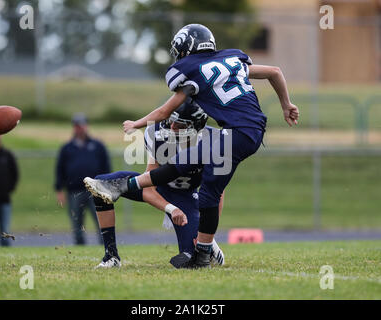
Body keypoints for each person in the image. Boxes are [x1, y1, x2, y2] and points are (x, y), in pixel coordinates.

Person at [86, 24, 300, 268]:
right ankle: (114, 242)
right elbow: (274, 71)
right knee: (174, 167)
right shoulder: (228, 66)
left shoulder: (205, 122)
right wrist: (286, 104)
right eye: (173, 124)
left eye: (182, 125)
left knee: (205, 193)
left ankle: (204, 248)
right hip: (226, 144)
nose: (174, 129)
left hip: (195, 192)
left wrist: (137, 123)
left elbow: (165, 110)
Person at [84, 100, 224, 268]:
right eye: (170, 121)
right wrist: (171, 209)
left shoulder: (215, 141)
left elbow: (217, 192)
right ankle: (111, 257)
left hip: (186, 196)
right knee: (102, 185)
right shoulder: (156, 133)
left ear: (196, 127)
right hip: (158, 189)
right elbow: (149, 186)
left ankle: (207, 247)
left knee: (190, 258)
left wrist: (207, 232)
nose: (171, 127)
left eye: (179, 124)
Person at [55, 113, 111, 245]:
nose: (79, 128)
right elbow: (60, 169)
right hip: (74, 191)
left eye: (81, 125)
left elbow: (106, 167)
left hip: (95, 190)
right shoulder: (67, 148)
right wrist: (59, 189)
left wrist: (107, 187)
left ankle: (106, 247)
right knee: (76, 222)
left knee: (101, 220)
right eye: (76, 126)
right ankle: (79, 247)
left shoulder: (98, 146)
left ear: (87, 126)